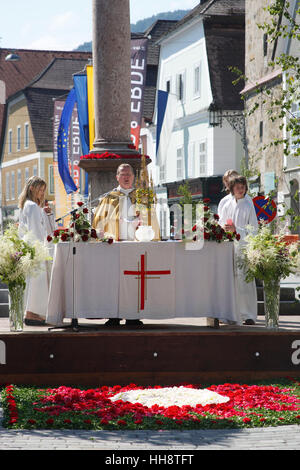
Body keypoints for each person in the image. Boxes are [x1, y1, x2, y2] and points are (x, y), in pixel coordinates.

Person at [92, 163, 160, 327]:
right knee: (113, 281)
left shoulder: (142, 197)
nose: (127, 177)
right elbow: (99, 223)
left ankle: (132, 316)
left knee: (134, 282)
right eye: (123, 174)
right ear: (117, 177)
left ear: (134, 177)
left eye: (129, 174)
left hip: (136, 248)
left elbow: (152, 221)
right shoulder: (109, 198)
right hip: (114, 247)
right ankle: (113, 315)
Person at [219, 175, 258, 325]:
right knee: (230, 282)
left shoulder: (248, 205)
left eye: (242, 187)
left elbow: (253, 230)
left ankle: (248, 315)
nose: (240, 190)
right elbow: (222, 222)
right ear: (231, 189)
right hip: (229, 247)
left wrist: (237, 230)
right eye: (237, 187)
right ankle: (230, 313)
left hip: (243, 247)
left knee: (245, 282)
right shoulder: (227, 204)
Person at [18, 176, 53, 326]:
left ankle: (31, 312)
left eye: (43, 190)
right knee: (37, 282)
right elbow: (36, 229)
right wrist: (43, 248)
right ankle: (33, 313)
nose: (41, 192)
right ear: (31, 187)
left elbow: (22, 229)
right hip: (35, 245)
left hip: (28, 244)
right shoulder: (32, 206)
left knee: (32, 281)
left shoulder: (27, 205)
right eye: (39, 188)